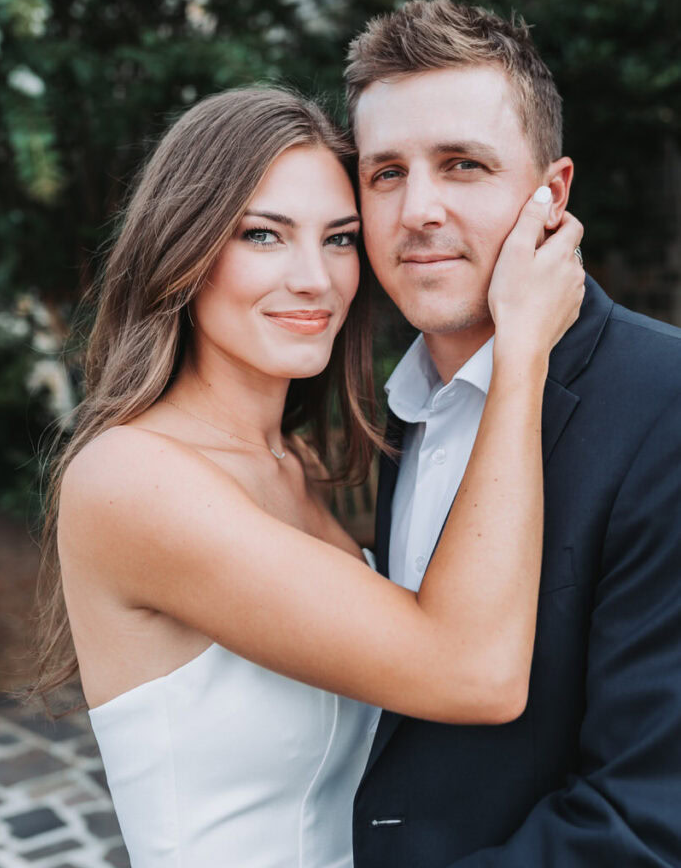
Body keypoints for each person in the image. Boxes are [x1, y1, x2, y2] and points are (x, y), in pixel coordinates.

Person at [33, 85, 583, 867]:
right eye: (263, 235)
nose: (314, 279)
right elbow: (473, 674)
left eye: (338, 239)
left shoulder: (295, 467)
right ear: (183, 251)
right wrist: (522, 351)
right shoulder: (129, 479)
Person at [345, 0, 681, 868]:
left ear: (550, 192)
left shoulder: (665, 405)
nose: (416, 209)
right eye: (386, 172)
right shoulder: (405, 401)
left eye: (460, 164)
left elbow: (647, 823)